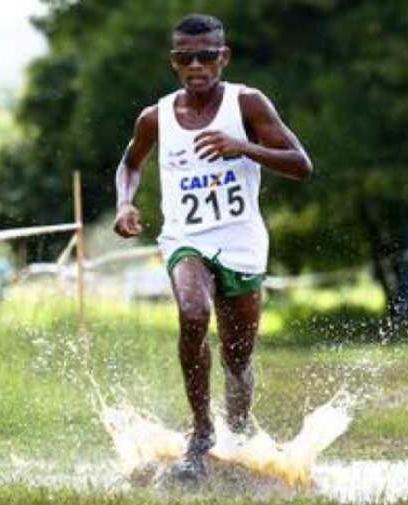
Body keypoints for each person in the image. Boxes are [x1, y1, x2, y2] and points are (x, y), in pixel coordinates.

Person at [112, 14, 312, 479]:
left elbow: (301, 164)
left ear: (223, 57)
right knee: (194, 313)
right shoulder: (156, 116)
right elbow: (130, 164)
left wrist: (243, 147)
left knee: (238, 355)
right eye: (186, 58)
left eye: (206, 56)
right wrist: (125, 203)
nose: (197, 65)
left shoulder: (247, 104)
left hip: (241, 242)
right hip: (186, 239)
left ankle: (238, 432)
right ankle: (200, 433)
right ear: (174, 63)